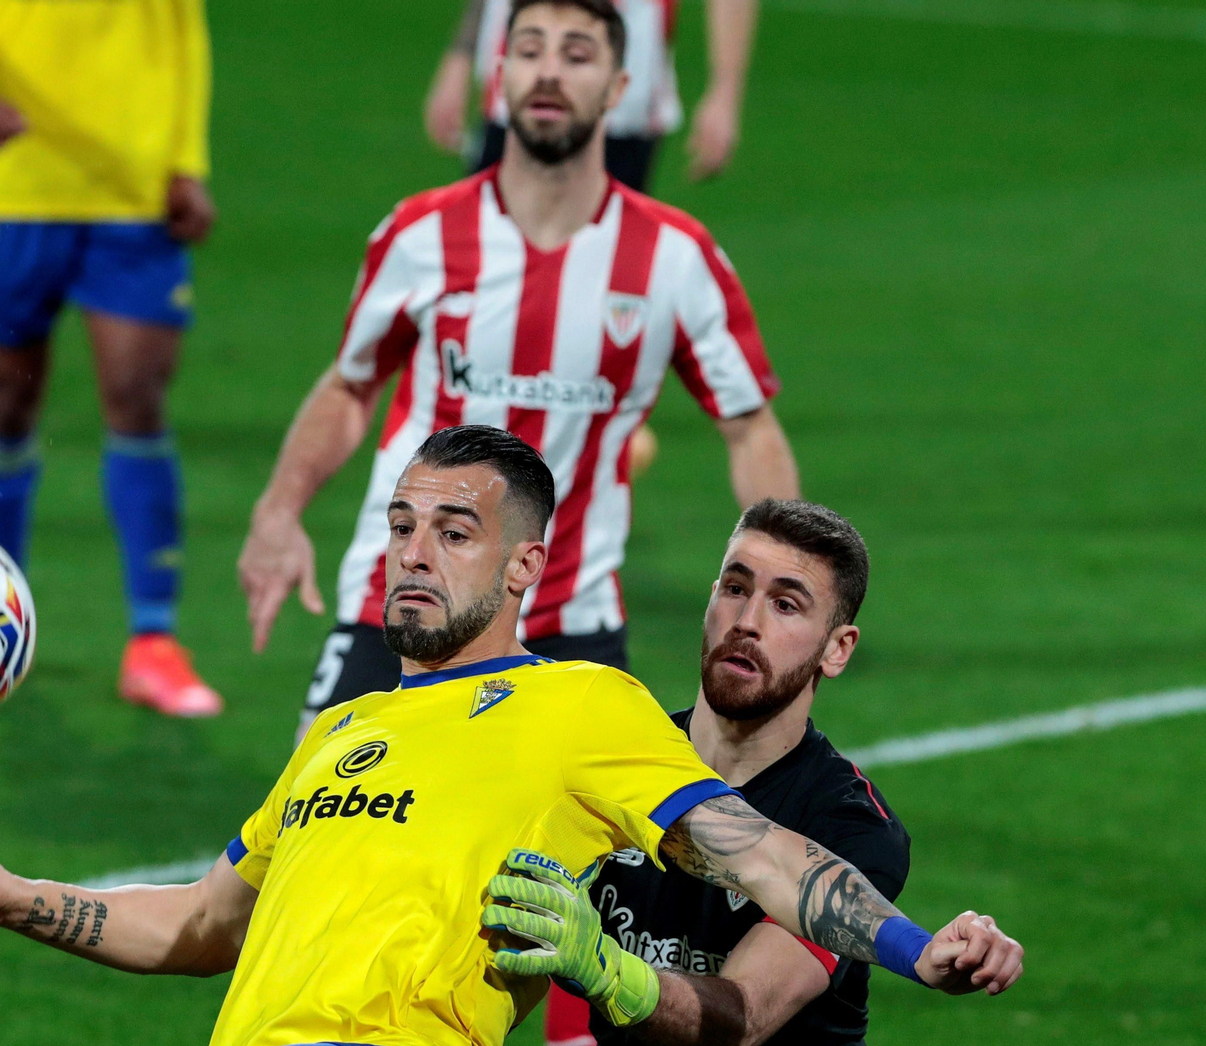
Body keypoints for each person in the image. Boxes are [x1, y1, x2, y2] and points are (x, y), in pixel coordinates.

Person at [0, 428, 1022, 1046]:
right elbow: (197, 920)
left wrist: (924, 949)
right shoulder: (343, 730)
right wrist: (10, 894)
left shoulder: (585, 710)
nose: (413, 552)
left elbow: (772, 860)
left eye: (454, 532)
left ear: (525, 565)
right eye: (401, 525)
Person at [238, 0, 799, 738]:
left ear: (620, 86)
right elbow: (350, 385)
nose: (548, 71)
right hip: (403, 604)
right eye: (529, 49)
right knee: (316, 841)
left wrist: (787, 584)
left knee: (568, 857)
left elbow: (749, 429)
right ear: (498, 75)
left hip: (570, 630)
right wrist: (278, 513)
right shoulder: (422, 234)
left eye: (577, 54)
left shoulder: (674, 258)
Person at [459, 498, 1004, 1046]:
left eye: (787, 604)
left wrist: (602, 967)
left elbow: (735, 1025)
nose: (748, 620)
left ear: (837, 649)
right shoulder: (618, 760)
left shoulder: (847, 825)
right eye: (735, 586)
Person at [0, 0, 223, 717]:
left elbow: (183, 29)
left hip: (131, 190)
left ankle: (154, 641)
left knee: (137, 395)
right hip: (12, 186)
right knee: (8, 399)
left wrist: (188, 160)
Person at [425, 0, 761, 187]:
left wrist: (725, 90)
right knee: (491, 255)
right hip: (517, 94)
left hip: (621, 107)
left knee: (605, 269)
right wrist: (460, 55)